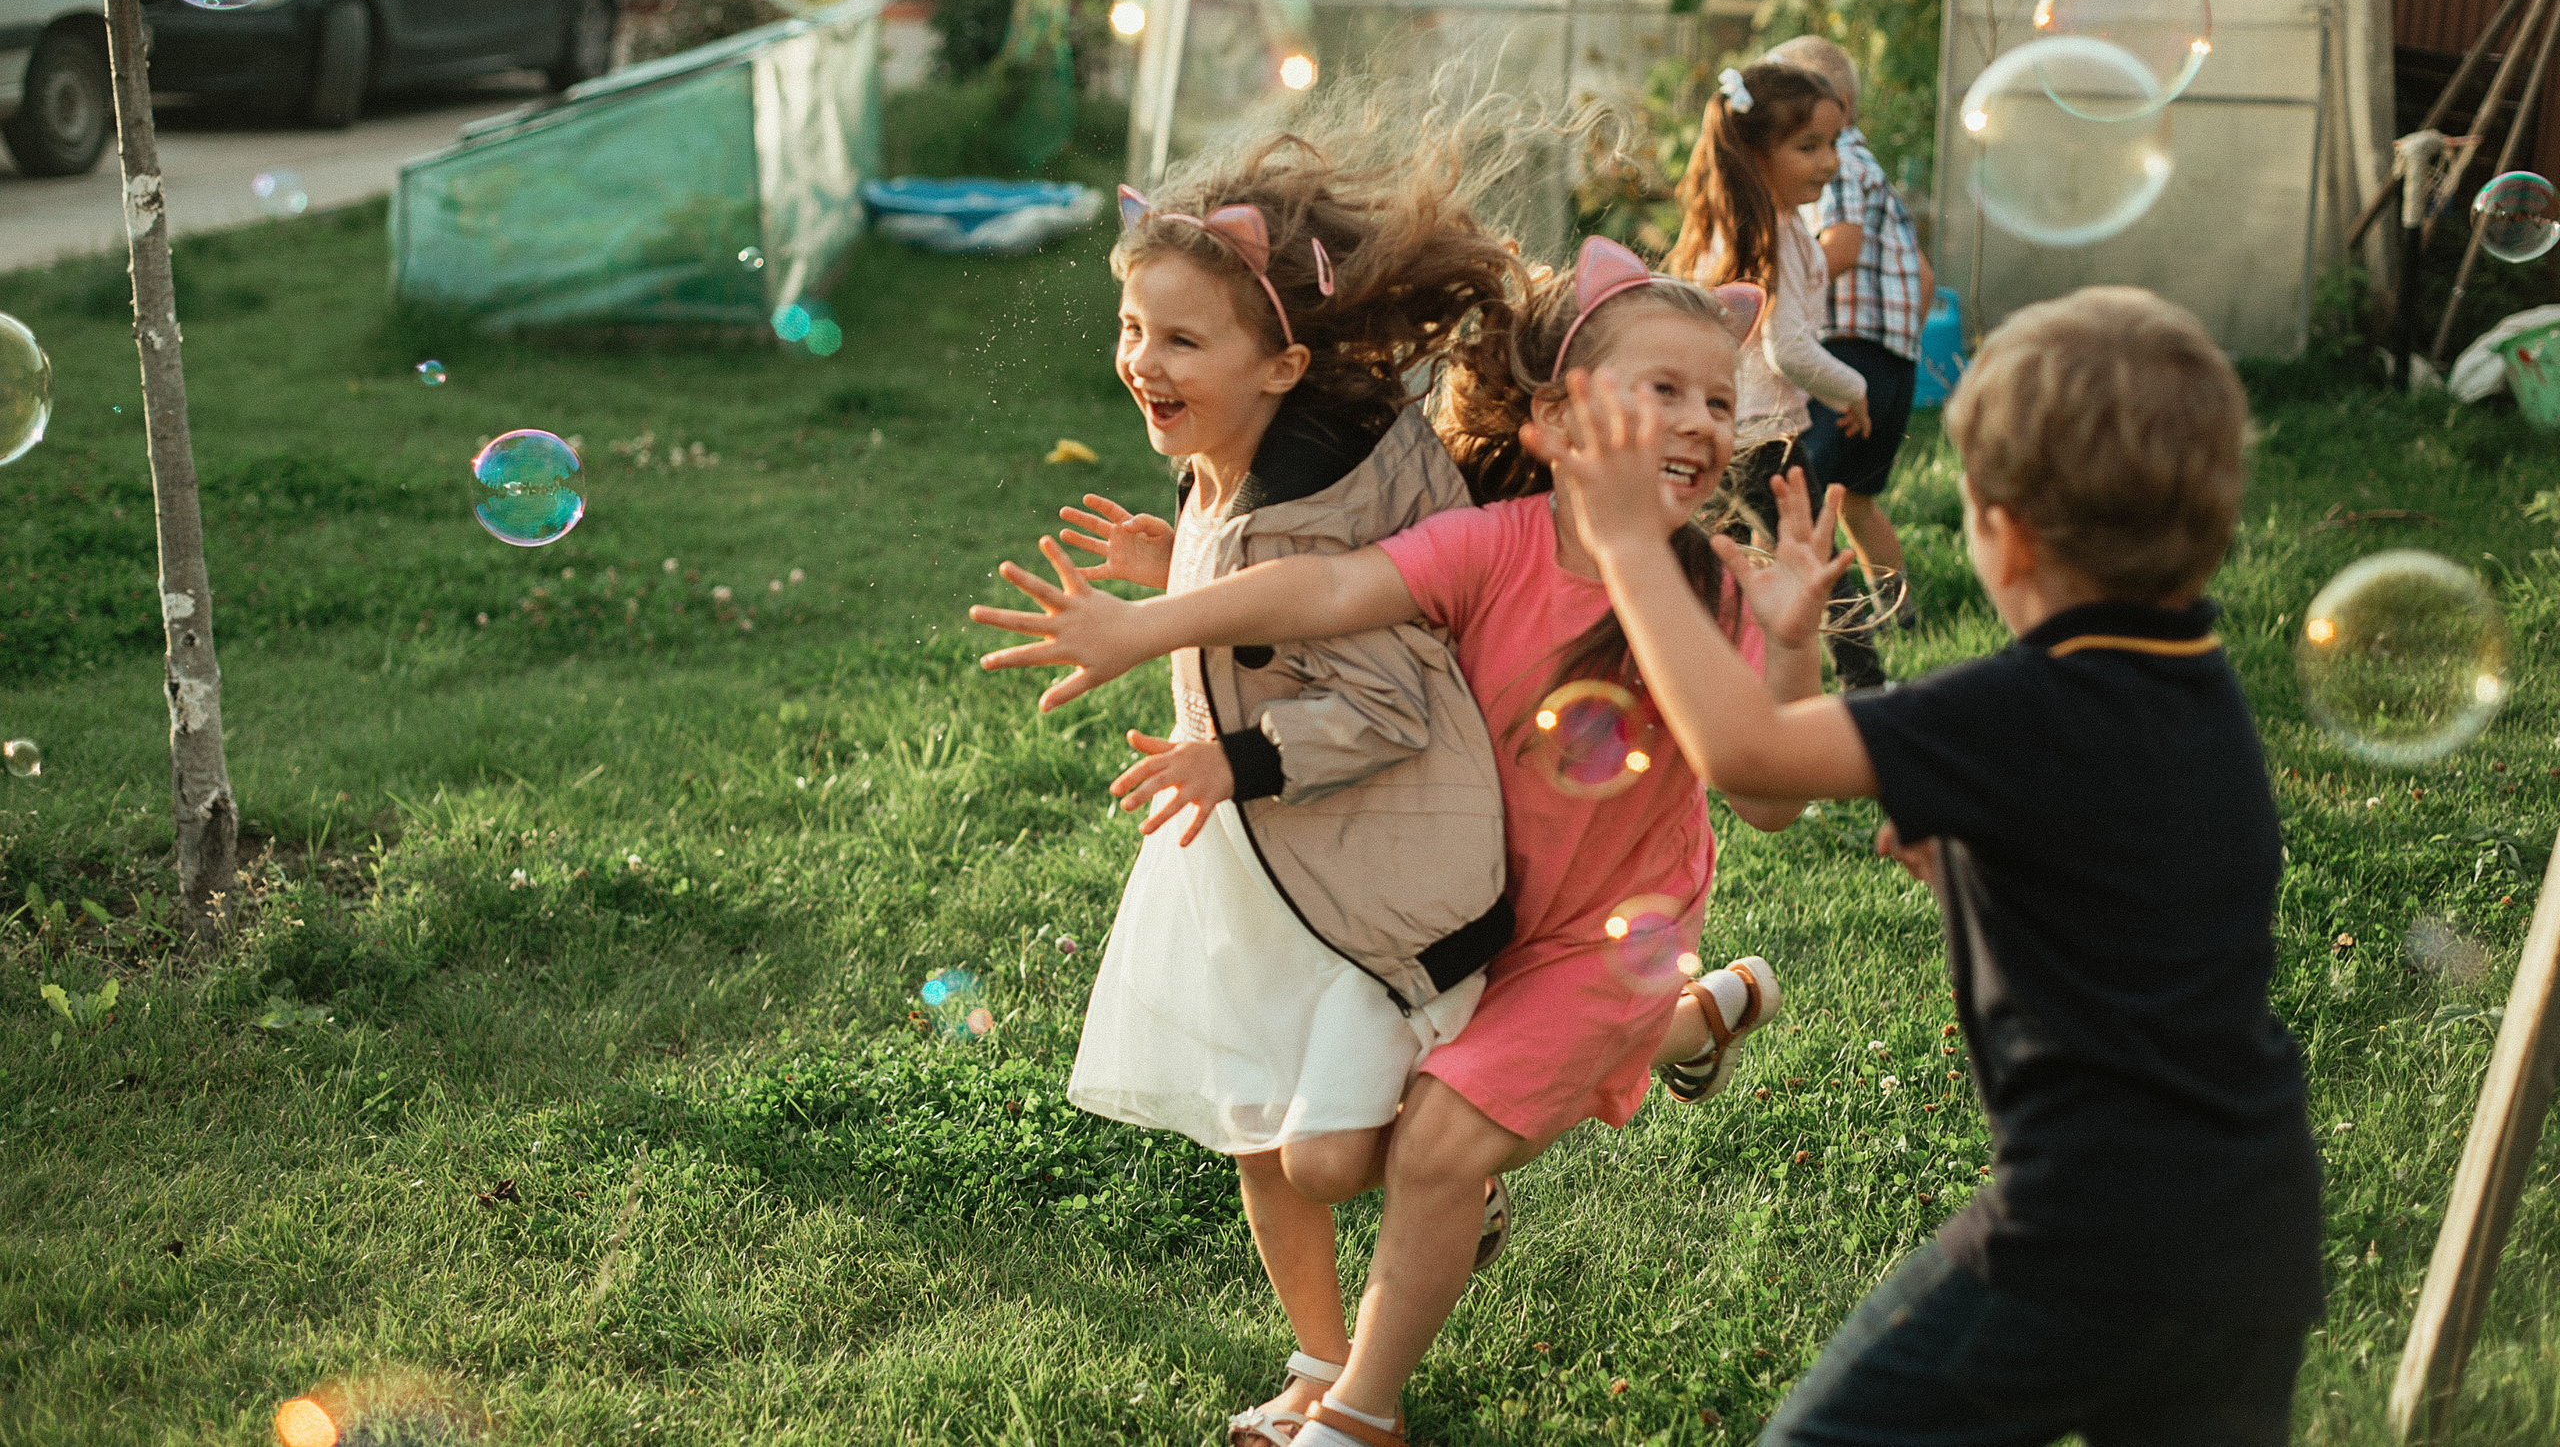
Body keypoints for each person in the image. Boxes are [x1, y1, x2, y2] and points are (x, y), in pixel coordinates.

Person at [975, 235, 1844, 1447]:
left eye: (1716, 397)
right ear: (1553, 420)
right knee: (1330, 1149)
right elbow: (1326, 592)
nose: (1702, 421)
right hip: (1455, 912)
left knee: (1434, 1147)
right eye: (1663, 389)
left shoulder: (1721, 589)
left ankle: (1359, 1415)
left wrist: (1792, 645)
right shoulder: (1495, 545)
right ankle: (1685, 1020)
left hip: (1602, 938)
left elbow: (1766, 797)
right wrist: (1153, 615)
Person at [1540, 287, 2324, 1447]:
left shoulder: (2019, 704)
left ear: (2002, 533)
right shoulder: (2192, 677)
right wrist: (1816, 667)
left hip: (2079, 1235)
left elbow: (1745, 751)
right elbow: (2125, 862)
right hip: (2251, 1220)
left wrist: (1622, 545)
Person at [1049, 114, 1523, 1447]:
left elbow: (1379, 701)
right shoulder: (1241, 459)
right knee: (1254, 1129)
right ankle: (1324, 1364)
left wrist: (1230, 754)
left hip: (1360, 865)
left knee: (1329, 1155)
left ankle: (1467, 1169)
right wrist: (1175, 566)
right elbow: (1251, 613)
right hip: (1252, 863)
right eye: (1135, 329)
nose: (1143, 360)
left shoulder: (1316, 511)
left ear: (1285, 365)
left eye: (1180, 340)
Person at [1665, 61, 1877, 687]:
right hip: (1766, 439)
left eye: (1833, 143)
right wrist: (1856, 389)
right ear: (1756, 153)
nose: (1829, 162)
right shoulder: (1774, 234)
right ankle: (1868, 686)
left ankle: (1715, 681)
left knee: (1726, 568)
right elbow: (1790, 352)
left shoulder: (1746, 225)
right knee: (1818, 562)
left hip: (1723, 430)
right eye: (1808, 146)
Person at [1764, 35, 1936, 681]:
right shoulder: (1877, 172)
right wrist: (1905, 351)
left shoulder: (1842, 167)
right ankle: (1901, 613)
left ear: (1828, 110)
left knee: (1799, 505)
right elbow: (1920, 274)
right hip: (1888, 363)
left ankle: (1830, 621)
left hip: (1845, 360)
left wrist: (1787, 282)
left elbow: (1839, 243)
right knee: (1857, 498)